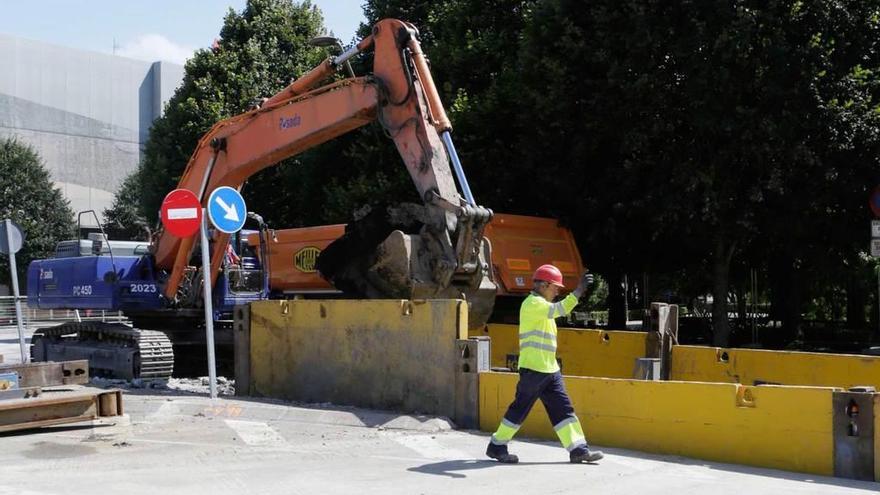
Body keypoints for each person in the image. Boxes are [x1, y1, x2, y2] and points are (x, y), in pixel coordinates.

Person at [486, 264, 604, 464]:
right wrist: (579, 290)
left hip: (549, 370)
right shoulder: (533, 304)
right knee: (519, 410)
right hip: (534, 369)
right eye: (555, 286)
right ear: (544, 285)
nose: (558, 290)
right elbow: (561, 309)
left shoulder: (542, 308)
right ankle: (497, 446)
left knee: (564, 410)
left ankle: (578, 450)